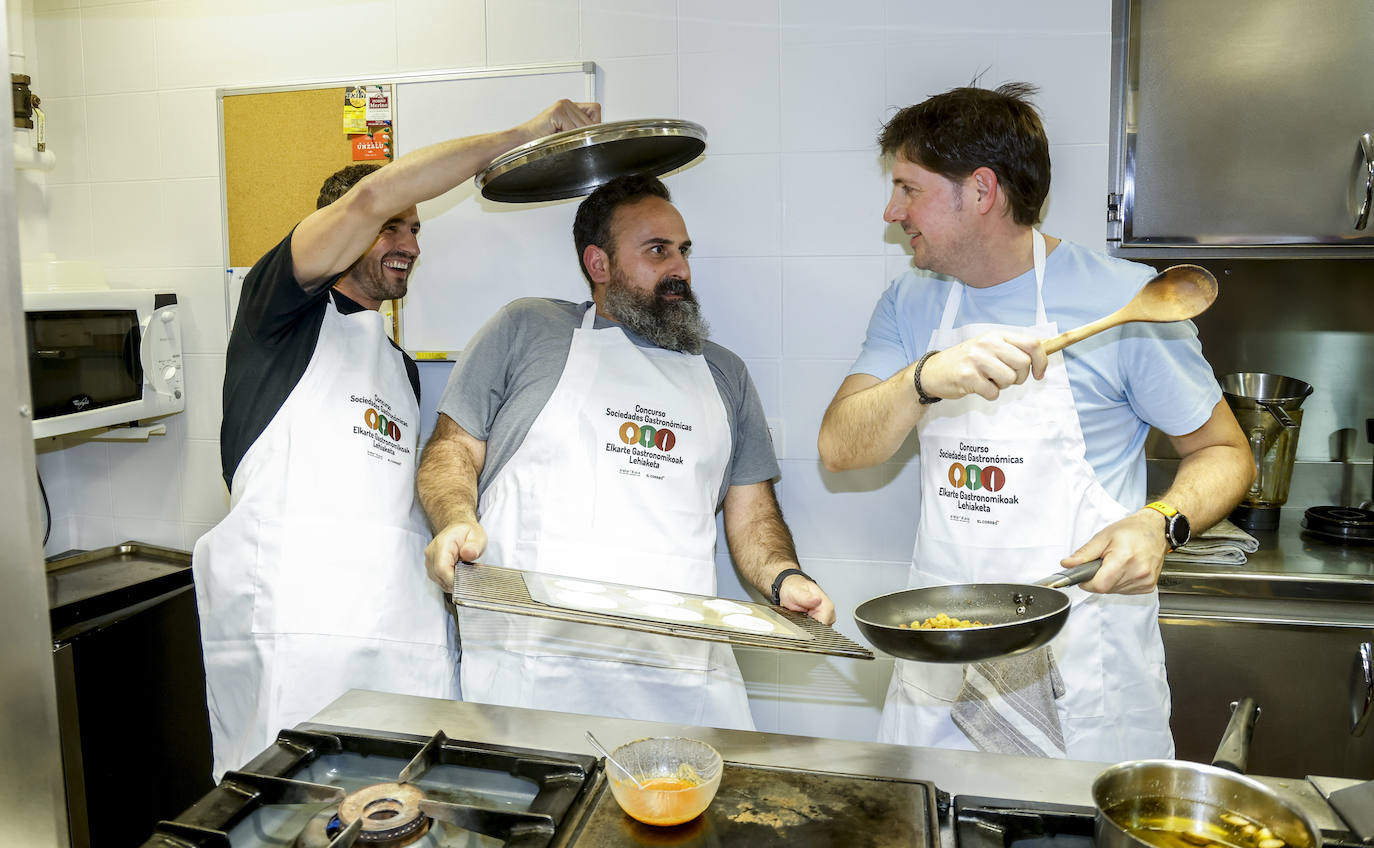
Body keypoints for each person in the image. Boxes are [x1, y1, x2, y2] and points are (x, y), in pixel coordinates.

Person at [817, 83, 1253, 761]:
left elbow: (1227, 453)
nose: (892, 210)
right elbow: (840, 449)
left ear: (981, 190)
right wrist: (923, 379)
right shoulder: (911, 303)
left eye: (909, 189)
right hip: (945, 662)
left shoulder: (1125, 301)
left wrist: (1159, 522)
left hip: (1081, 660)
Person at [192, 100, 601, 778]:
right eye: (391, 226)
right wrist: (523, 135)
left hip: (394, 633)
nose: (410, 242)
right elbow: (374, 192)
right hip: (297, 631)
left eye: (415, 229)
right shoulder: (280, 316)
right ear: (344, 231)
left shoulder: (400, 370)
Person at [417, 173, 836, 730]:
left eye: (683, 251)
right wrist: (454, 521)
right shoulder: (528, 328)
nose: (679, 269)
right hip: (536, 675)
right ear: (599, 264)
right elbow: (452, 450)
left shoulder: (724, 374)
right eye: (657, 250)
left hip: (680, 680)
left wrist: (786, 580)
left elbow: (753, 513)